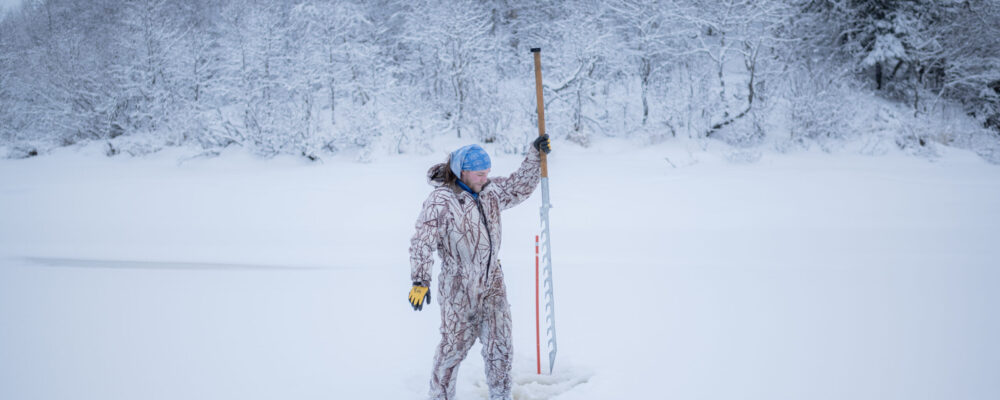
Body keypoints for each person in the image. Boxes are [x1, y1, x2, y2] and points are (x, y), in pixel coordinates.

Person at [408, 135, 552, 400]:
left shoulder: (491, 193)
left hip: (492, 282)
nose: (485, 178)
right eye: (479, 174)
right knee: (453, 349)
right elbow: (422, 240)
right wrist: (420, 280)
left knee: (501, 345)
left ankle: (501, 396)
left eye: (487, 173)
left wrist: (534, 155)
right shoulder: (441, 201)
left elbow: (518, 186)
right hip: (458, 288)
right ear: (462, 171)